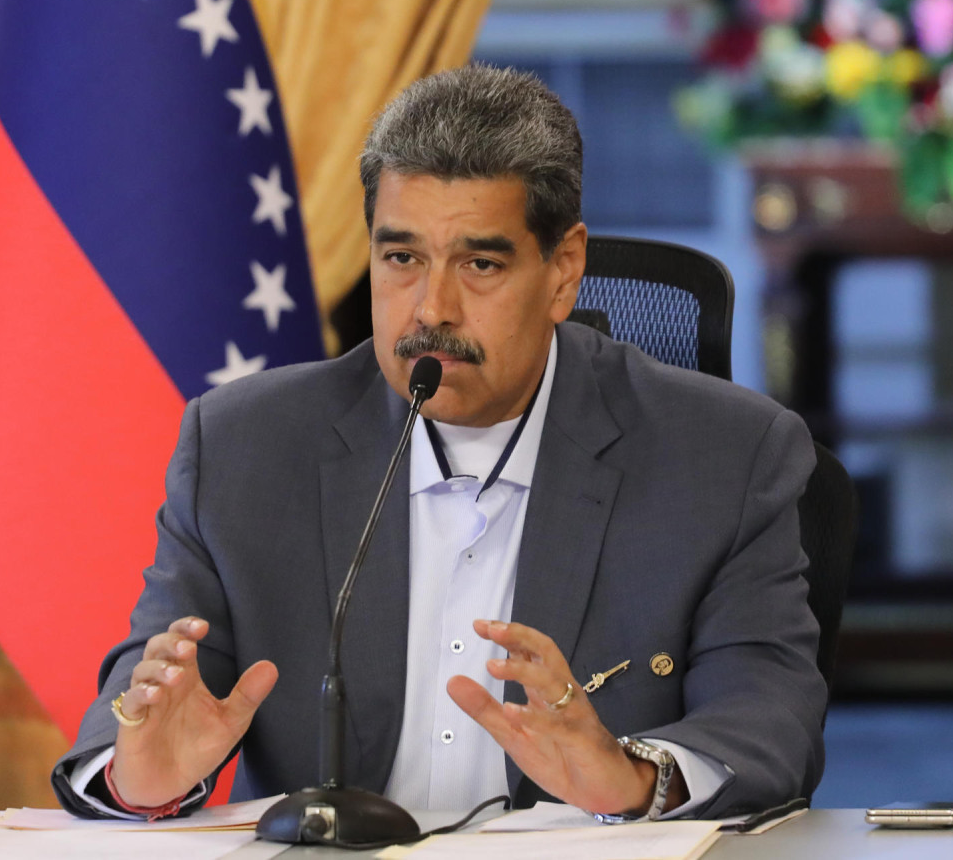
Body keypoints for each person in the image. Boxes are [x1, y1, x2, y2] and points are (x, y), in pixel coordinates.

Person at [51, 64, 825, 822]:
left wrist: (631, 778)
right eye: (402, 258)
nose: (432, 307)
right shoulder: (245, 447)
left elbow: (769, 723)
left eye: (480, 263)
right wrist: (137, 778)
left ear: (563, 271)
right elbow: (154, 685)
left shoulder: (725, 456)